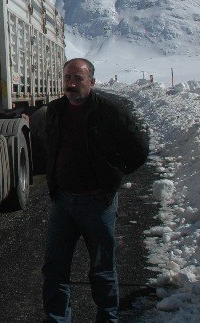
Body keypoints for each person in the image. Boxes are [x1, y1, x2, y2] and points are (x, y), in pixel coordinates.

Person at [41, 58, 149, 322]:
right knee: (55, 268)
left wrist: (112, 179)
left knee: (102, 269)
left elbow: (139, 149)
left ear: (91, 81)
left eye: (78, 78)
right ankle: (57, 319)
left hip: (97, 203)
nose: (71, 84)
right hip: (63, 202)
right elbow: (51, 145)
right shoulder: (56, 110)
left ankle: (107, 317)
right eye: (67, 77)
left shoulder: (111, 111)